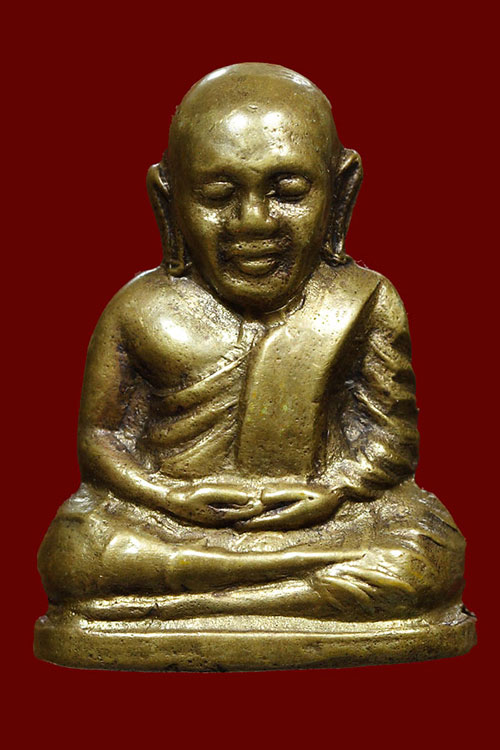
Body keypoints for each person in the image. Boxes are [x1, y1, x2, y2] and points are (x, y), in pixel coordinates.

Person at [37, 63, 468, 632]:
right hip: (174, 522)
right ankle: (291, 589)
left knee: (429, 553)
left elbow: (391, 442)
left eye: (288, 192)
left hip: (320, 520)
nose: (253, 222)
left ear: (341, 192)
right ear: (167, 200)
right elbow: (102, 440)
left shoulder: (363, 300)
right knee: (75, 550)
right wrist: (170, 498)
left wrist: (332, 492)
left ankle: (191, 605)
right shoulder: (139, 309)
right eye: (218, 196)